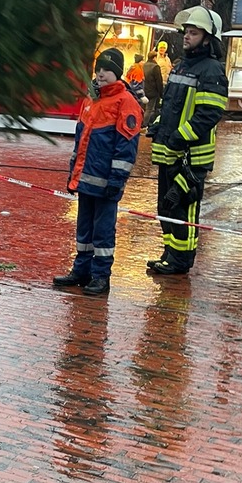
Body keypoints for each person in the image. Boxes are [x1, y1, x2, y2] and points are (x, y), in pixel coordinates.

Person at [52, 47, 142, 296]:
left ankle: (101, 276)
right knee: (84, 230)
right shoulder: (91, 99)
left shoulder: (126, 103)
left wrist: (116, 181)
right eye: (98, 69)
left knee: (103, 233)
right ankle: (82, 270)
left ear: (118, 73)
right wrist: (73, 176)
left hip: (106, 183)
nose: (101, 74)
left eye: (107, 70)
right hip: (87, 180)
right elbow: (80, 142)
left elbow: (126, 149)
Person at [146, 6, 227, 276]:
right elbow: (170, 106)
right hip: (170, 153)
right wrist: (158, 124)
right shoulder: (182, 65)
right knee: (166, 207)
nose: (187, 37)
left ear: (208, 38)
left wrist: (180, 137)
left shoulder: (212, 70)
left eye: (193, 33)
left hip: (191, 157)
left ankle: (181, 260)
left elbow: (209, 114)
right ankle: (170, 253)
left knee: (184, 207)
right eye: (186, 32)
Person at [142, 51, 164, 126]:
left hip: (144, 90)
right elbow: (159, 81)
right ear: (154, 57)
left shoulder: (144, 65)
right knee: (149, 109)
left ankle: (139, 123)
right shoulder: (155, 67)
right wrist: (161, 93)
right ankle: (144, 125)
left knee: (143, 108)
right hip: (152, 91)